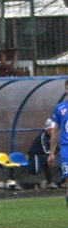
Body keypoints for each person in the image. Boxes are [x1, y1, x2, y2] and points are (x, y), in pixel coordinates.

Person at [48, 79, 68, 207]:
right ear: (66, 90)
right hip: (66, 148)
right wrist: (52, 152)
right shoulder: (60, 108)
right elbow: (55, 131)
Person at [27, 119, 58, 189]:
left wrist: (54, 153)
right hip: (36, 154)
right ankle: (37, 183)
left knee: (48, 164)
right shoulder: (43, 135)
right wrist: (51, 154)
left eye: (52, 129)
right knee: (35, 170)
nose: (51, 131)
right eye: (49, 129)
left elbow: (56, 147)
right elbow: (44, 149)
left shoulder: (54, 136)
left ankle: (50, 182)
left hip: (44, 155)